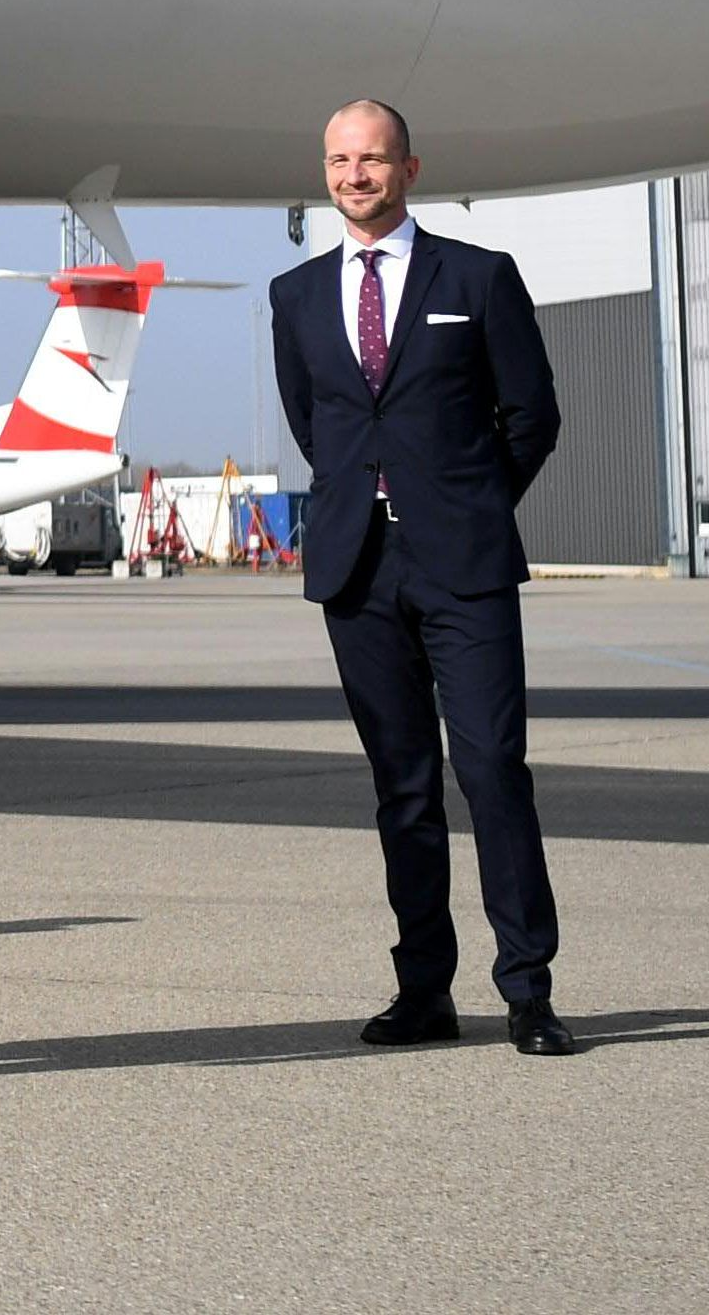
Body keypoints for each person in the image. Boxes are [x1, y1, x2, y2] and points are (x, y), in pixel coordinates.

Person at [272, 98, 576, 1057]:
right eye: (339, 160)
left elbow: (531, 415)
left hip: (463, 567)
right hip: (358, 573)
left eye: (372, 159)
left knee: (491, 772)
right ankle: (424, 995)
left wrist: (469, 506)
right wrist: (360, 508)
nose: (354, 175)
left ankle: (529, 993)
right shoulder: (295, 296)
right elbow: (318, 426)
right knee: (402, 787)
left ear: (410, 168)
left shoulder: (479, 278)